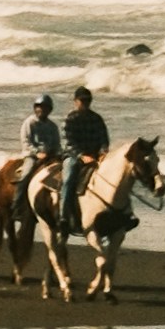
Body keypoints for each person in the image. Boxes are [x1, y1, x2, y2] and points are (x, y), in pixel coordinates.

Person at [60, 85, 110, 234]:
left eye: (88, 100)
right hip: (74, 156)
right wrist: (82, 155)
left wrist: (103, 152)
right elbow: (68, 143)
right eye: (82, 100)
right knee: (69, 177)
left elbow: (104, 139)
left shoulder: (96, 118)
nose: (85, 103)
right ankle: (63, 216)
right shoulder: (70, 119)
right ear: (75, 101)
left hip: (94, 156)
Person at [21, 93, 63, 203]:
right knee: (26, 173)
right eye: (39, 107)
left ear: (50, 110)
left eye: (45, 107)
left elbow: (57, 144)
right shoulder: (29, 122)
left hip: (50, 156)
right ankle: (18, 203)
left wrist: (58, 153)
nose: (42, 110)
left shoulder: (52, 126)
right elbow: (26, 142)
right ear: (35, 108)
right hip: (33, 156)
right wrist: (37, 153)